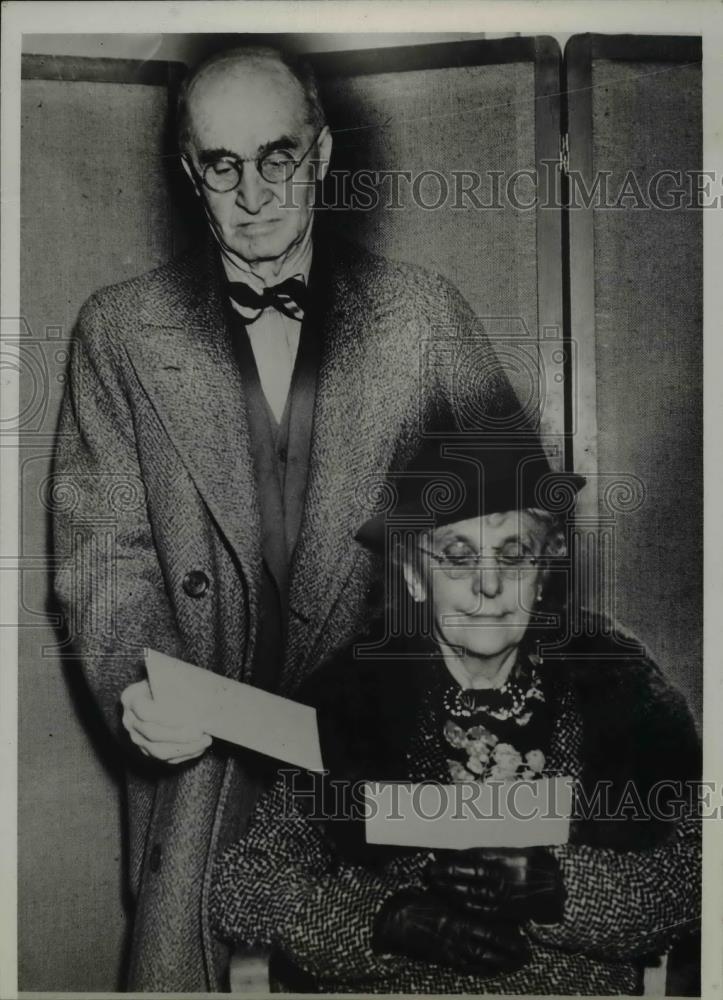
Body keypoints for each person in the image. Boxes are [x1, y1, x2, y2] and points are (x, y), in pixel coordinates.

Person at [51, 46, 524, 991]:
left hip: (390, 758)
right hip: (203, 768)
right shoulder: (115, 331)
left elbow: (514, 548)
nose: (255, 192)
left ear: (321, 154)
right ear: (192, 172)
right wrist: (136, 684)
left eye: (279, 157)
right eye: (223, 165)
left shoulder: (424, 316)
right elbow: (104, 558)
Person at [210, 438, 701, 994]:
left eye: (514, 555)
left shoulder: (615, 682)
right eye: (459, 555)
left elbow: (698, 874)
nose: (488, 585)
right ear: (416, 575)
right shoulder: (352, 697)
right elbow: (246, 885)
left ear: (542, 574)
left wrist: (564, 889)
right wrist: (384, 921)